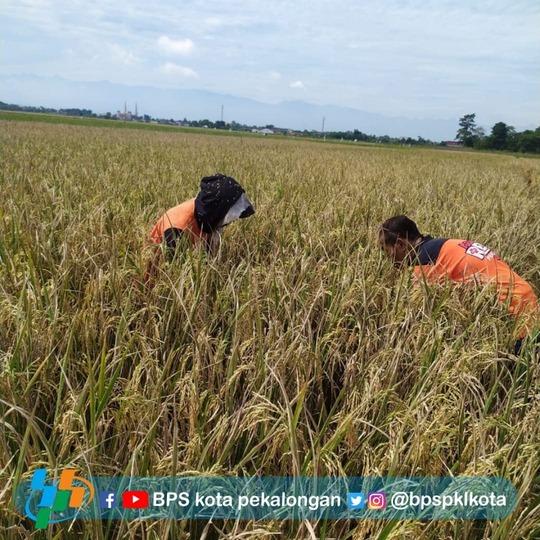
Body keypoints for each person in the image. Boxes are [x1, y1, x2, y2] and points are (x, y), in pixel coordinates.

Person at [378, 215, 539, 353]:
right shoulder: (446, 245)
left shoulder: (424, 264)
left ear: (400, 244)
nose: (389, 260)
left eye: (387, 252)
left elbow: (418, 318)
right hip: (527, 299)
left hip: (514, 316)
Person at [144, 173, 254, 285]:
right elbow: (173, 274)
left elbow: (208, 249)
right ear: (218, 211)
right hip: (158, 275)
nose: (230, 221)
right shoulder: (176, 230)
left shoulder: (207, 212)